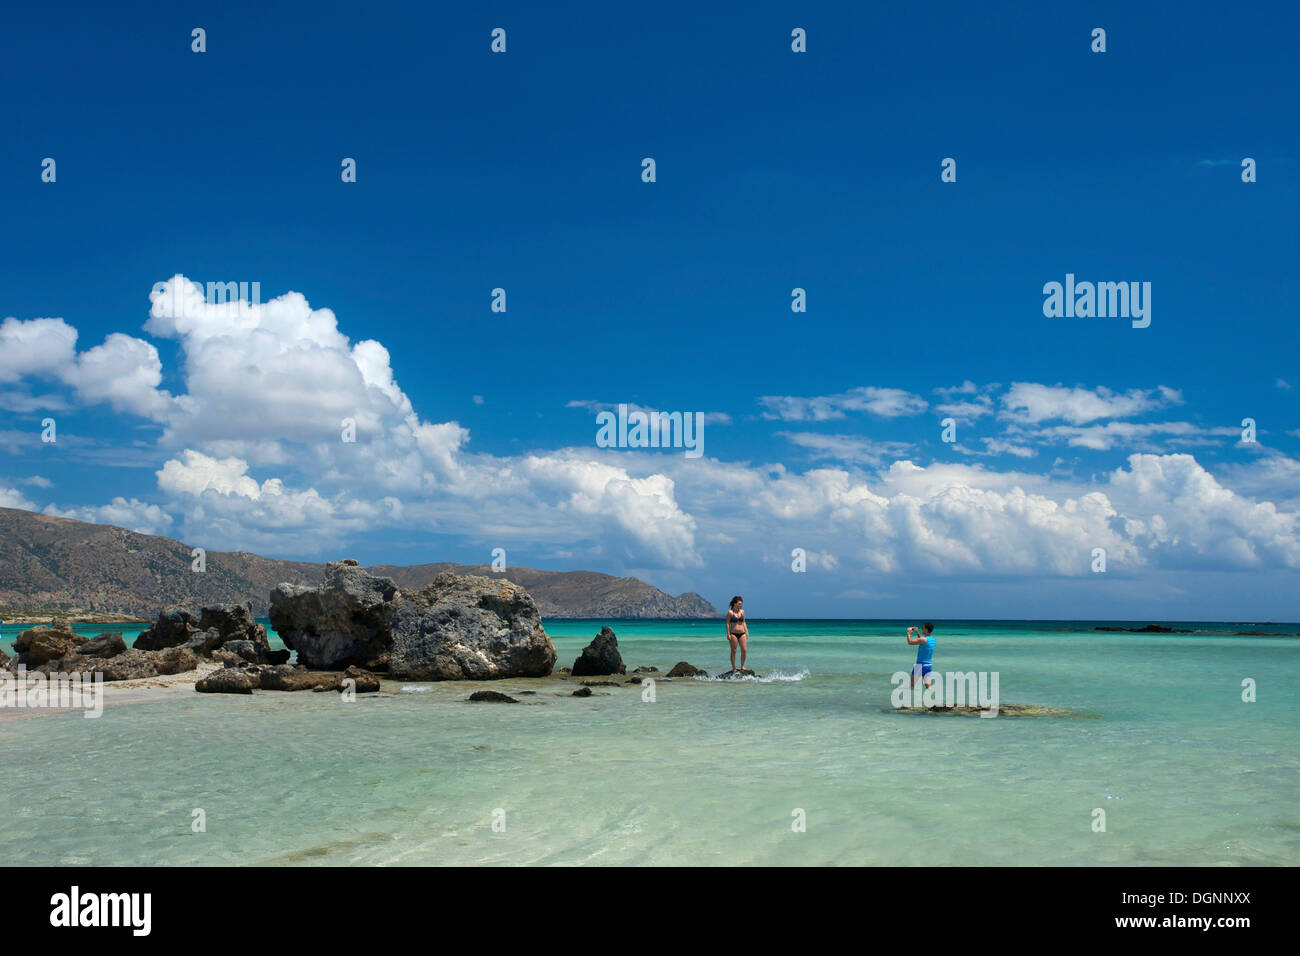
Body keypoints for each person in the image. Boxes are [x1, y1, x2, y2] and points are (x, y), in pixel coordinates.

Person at [906, 622, 936, 690]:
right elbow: (922, 640)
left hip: (920, 665)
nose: (922, 629)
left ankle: (911, 696)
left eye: (923, 628)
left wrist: (909, 632)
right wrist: (917, 632)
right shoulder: (933, 640)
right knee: (928, 686)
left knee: (911, 686)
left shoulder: (923, 640)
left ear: (926, 629)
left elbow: (910, 642)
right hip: (928, 665)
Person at [725, 596, 749, 674]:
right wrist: (728, 634)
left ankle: (742, 666)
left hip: (742, 633)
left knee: (744, 650)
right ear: (735, 604)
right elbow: (727, 623)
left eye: (741, 604)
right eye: (739, 604)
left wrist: (747, 631)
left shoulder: (742, 611)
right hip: (733, 634)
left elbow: (744, 622)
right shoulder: (730, 612)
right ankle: (734, 668)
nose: (740, 605)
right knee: (733, 651)